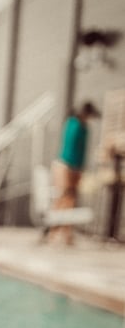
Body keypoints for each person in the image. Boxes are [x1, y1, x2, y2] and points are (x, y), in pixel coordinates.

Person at [50, 101, 101, 244]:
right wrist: (73, 170)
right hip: (66, 166)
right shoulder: (74, 124)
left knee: (71, 200)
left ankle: (66, 234)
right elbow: (70, 149)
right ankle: (54, 233)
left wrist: (81, 169)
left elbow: (82, 150)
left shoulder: (85, 128)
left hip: (76, 168)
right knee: (64, 198)